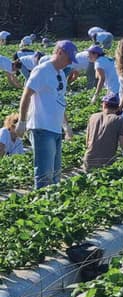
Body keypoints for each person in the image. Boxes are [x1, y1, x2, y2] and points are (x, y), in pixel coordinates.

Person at [15, 40, 76, 189]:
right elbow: (26, 94)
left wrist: (66, 126)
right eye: (68, 59)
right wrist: (22, 122)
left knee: (55, 174)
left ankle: (52, 205)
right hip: (41, 127)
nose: (69, 63)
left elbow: (60, 101)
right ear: (59, 52)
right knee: (44, 174)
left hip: (55, 128)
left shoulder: (61, 73)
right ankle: (43, 205)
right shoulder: (42, 70)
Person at [83, 93, 123, 171]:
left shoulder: (92, 117)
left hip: (88, 160)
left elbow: (87, 141)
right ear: (117, 107)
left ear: (104, 105)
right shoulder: (118, 120)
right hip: (106, 162)